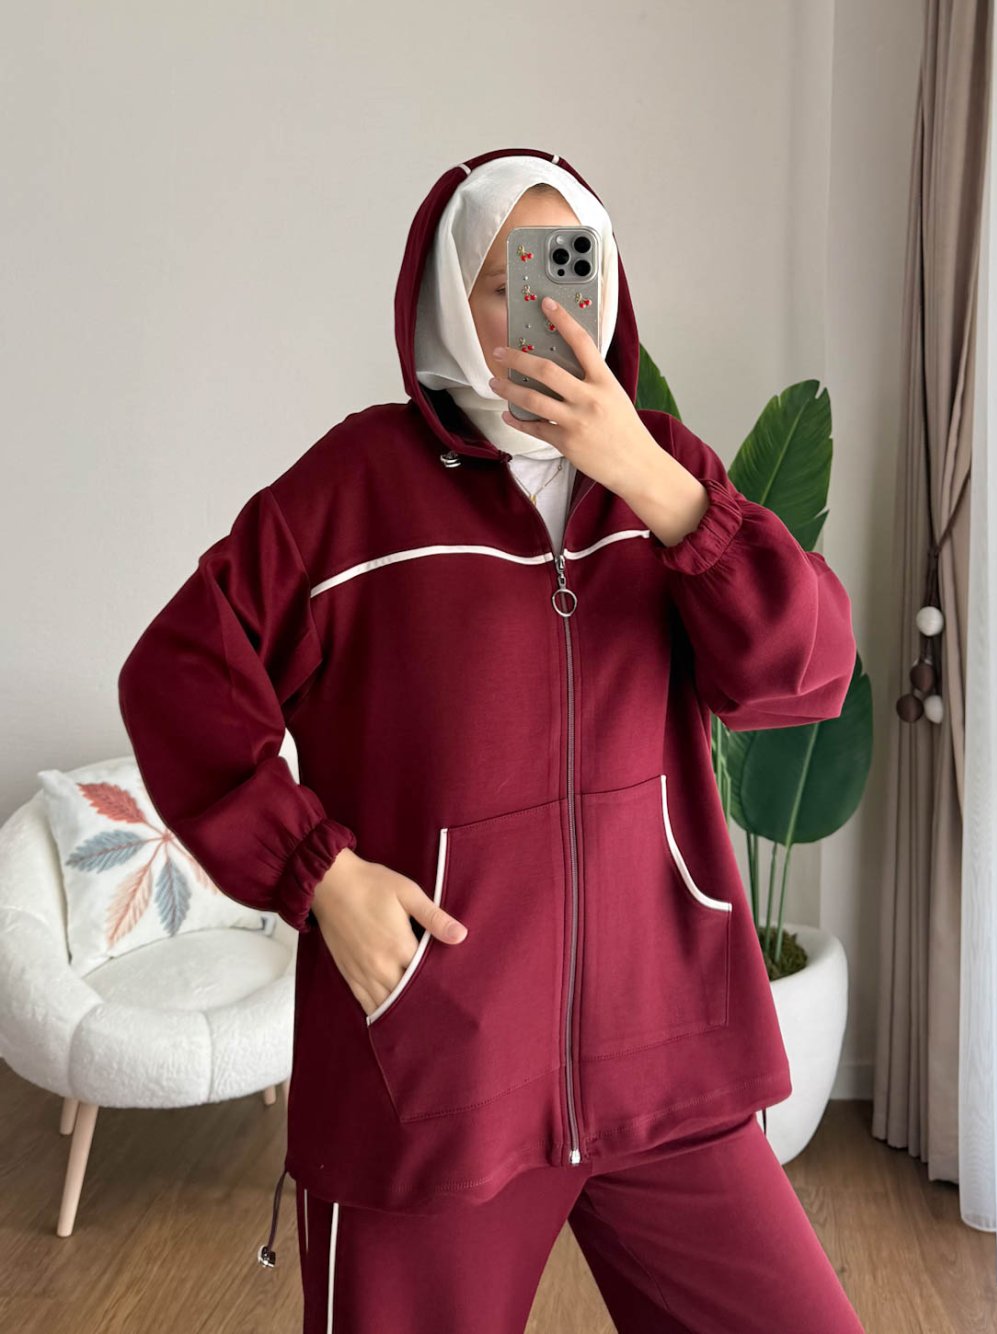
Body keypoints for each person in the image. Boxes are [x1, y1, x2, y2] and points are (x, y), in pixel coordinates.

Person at [117, 147, 866, 1333]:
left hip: (665, 1053)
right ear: (443, 299)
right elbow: (178, 675)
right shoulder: (353, 491)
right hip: (436, 1073)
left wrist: (656, 484)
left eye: (571, 268)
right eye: (508, 277)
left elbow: (804, 674)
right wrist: (321, 875)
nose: (549, 309)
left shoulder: (668, 478)